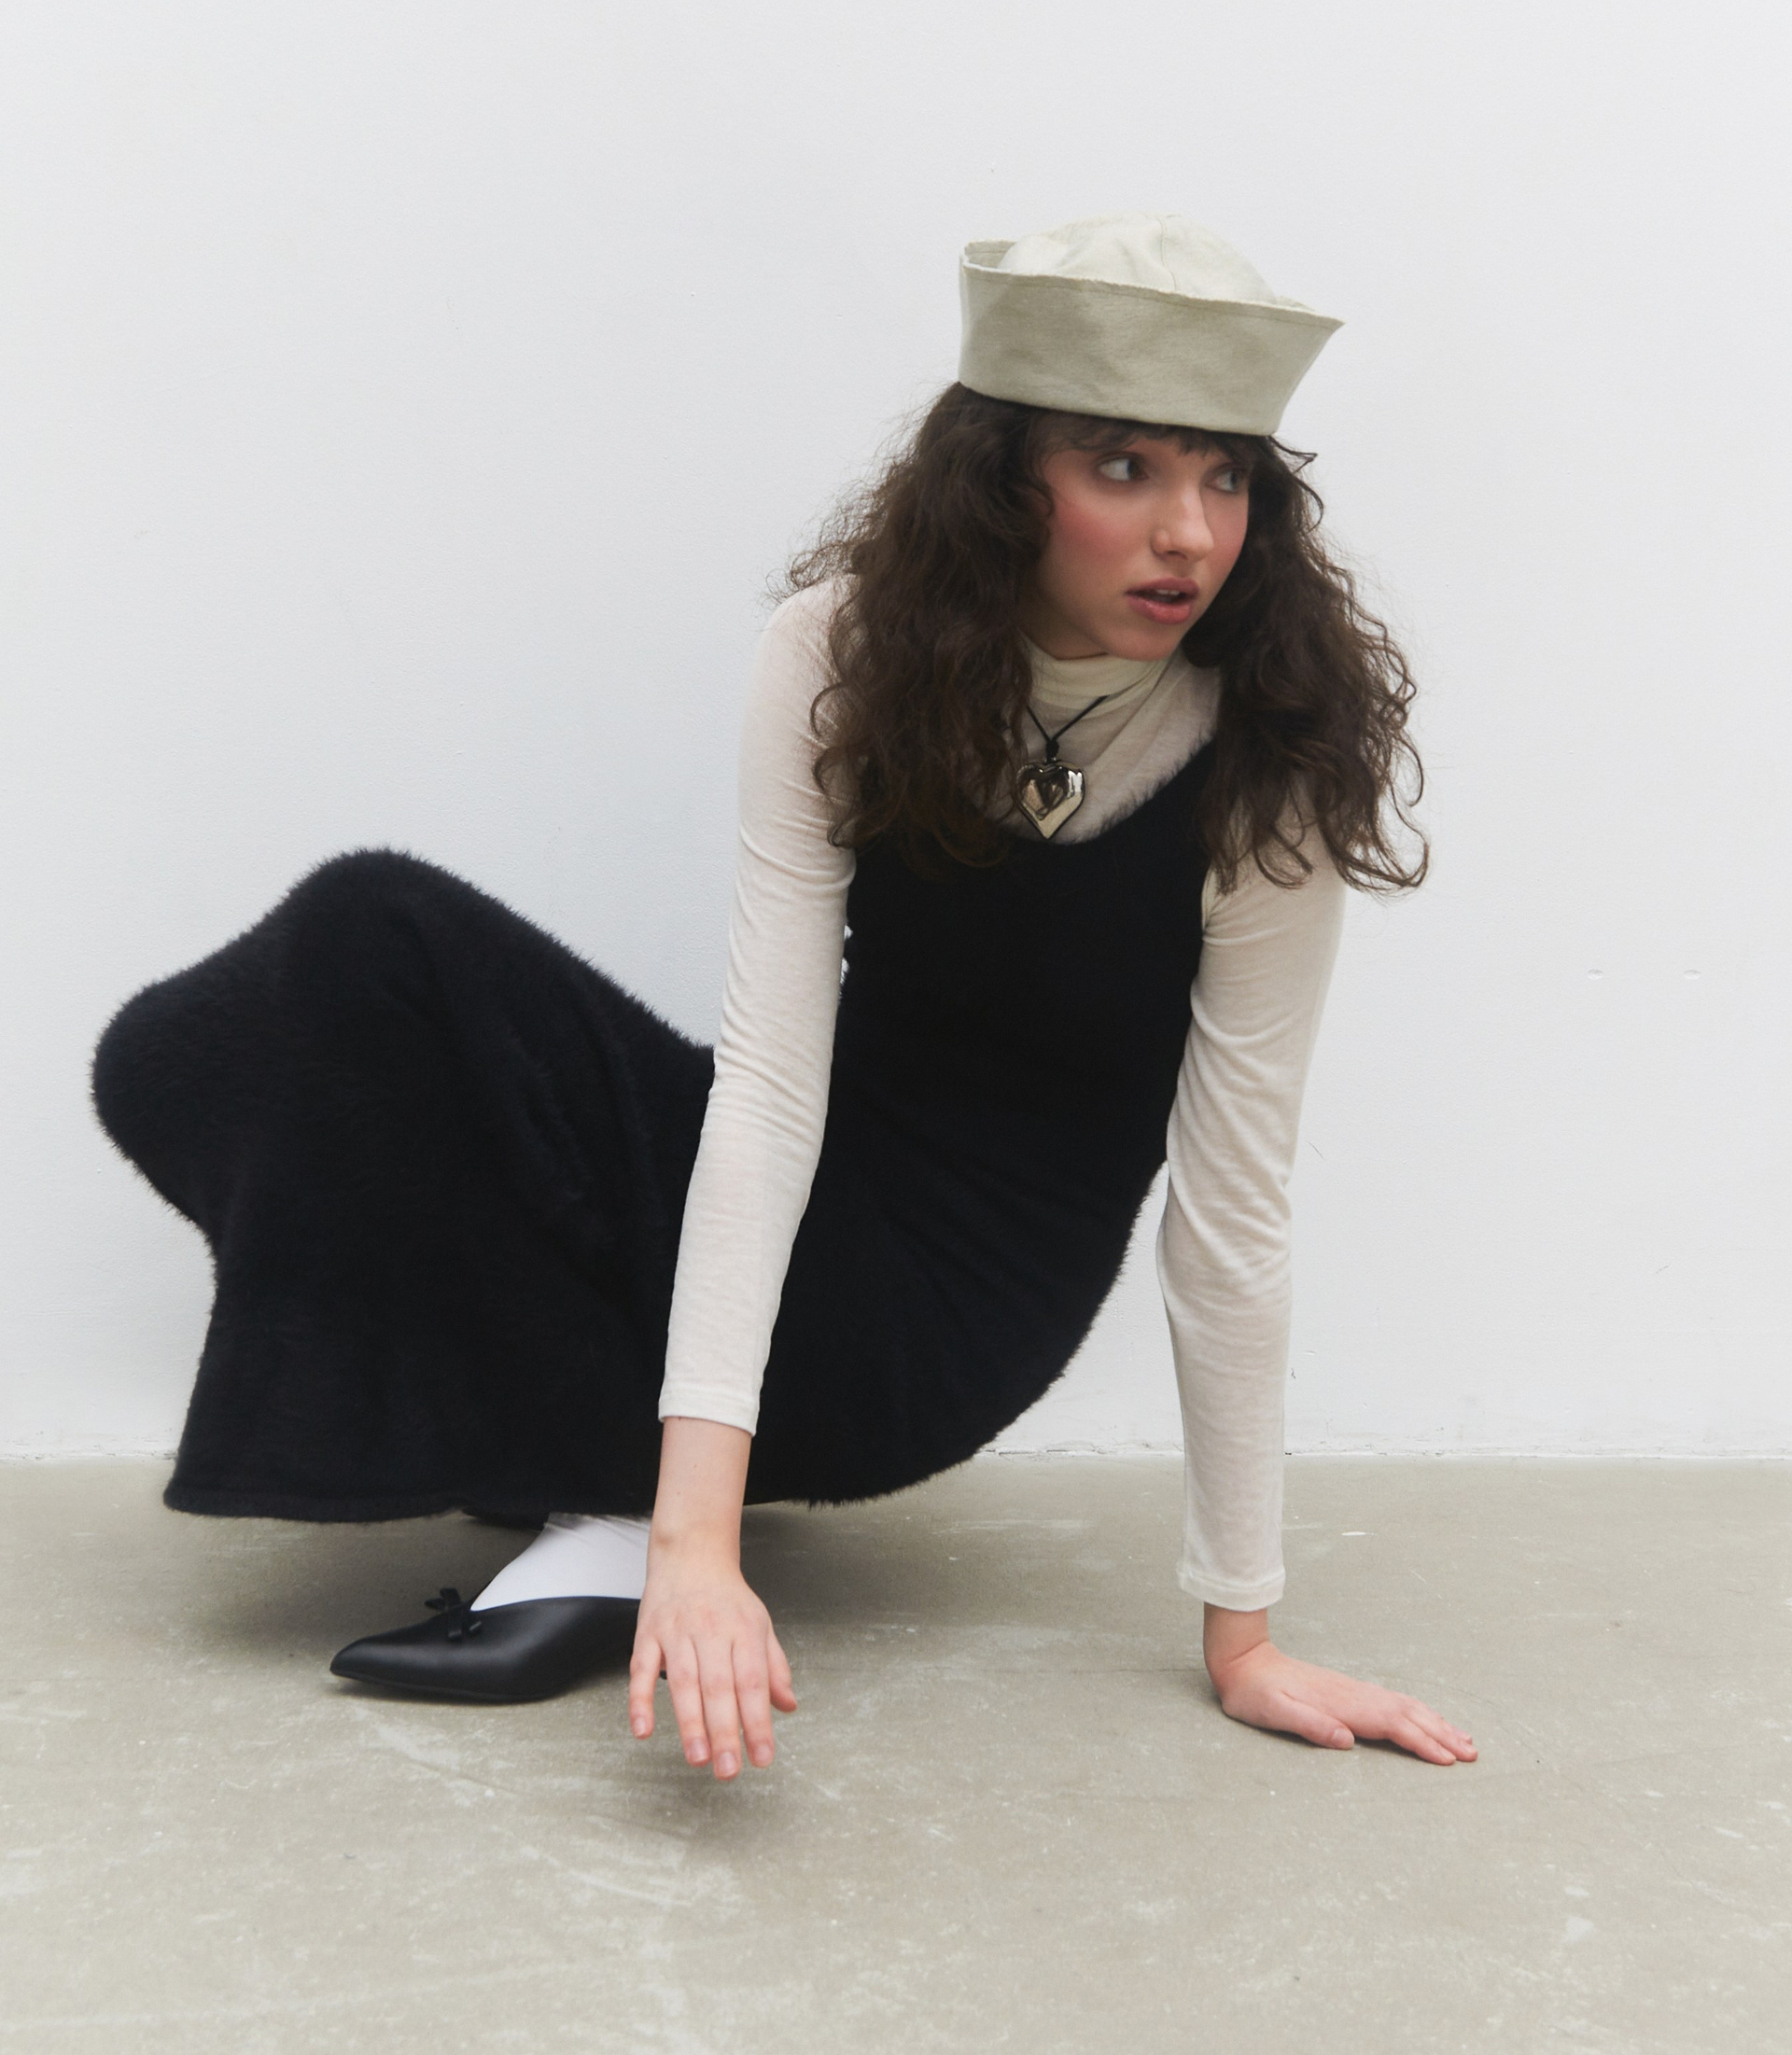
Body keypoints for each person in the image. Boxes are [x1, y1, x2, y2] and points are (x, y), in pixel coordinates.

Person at [92, 212, 1477, 1781]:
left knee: (376, 951)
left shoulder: (1266, 753)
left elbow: (1232, 1211)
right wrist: (704, 1534)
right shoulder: (846, 654)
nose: (1189, 534)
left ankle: (618, 1507)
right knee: (228, 1027)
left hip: (928, 1327)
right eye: (1124, 468)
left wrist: (1246, 1635)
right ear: (1002, 478)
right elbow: (764, 1079)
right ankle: (625, 1480)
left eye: (1225, 479)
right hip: (810, 1180)